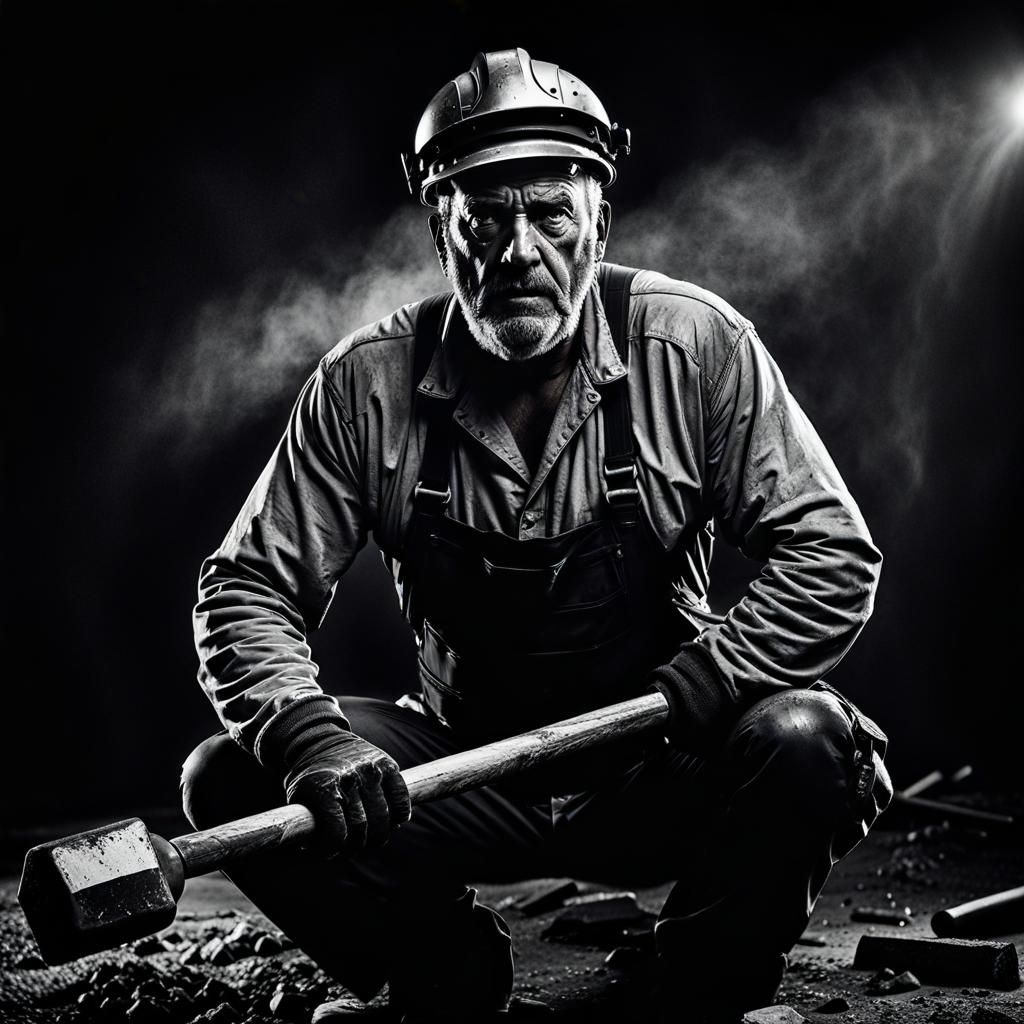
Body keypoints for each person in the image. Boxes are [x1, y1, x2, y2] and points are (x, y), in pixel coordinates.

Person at [181, 48, 892, 1024]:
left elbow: (830, 555)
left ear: (599, 219)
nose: (518, 250)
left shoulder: (692, 347)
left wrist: (707, 683)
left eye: (551, 215)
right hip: (454, 775)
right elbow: (245, 587)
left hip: (656, 768)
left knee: (810, 741)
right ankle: (441, 975)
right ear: (439, 226)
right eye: (484, 217)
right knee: (229, 777)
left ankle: (687, 987)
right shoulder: (366, 384)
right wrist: (312, 741)